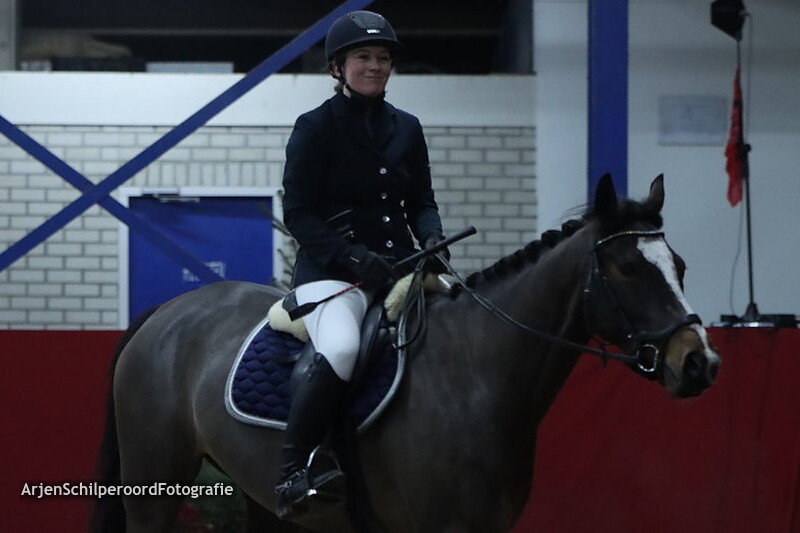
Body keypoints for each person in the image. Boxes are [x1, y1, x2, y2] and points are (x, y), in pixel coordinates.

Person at [275, 10, 449, 519]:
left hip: (401, 266)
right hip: (331, 273)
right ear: (338, 67)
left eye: (383, 58)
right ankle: (293, 469)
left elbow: (420, 199)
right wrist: (350, 256)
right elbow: (298, 212)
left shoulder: (407, 128)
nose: (375, 66)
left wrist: (433, 235)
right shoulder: (314, 128)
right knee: (344, 345)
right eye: (363, 58)